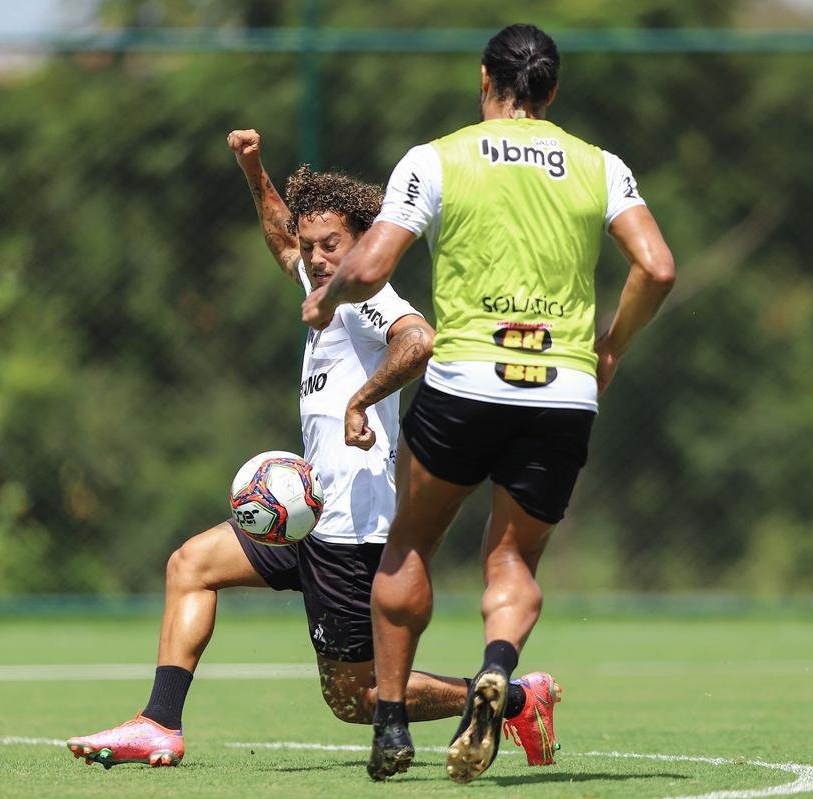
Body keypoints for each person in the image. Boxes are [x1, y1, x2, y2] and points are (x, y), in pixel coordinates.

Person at [65, 129, 560, 771]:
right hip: (306, 515)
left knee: (355, 699)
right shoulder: (321, 283)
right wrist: (254, 170)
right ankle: (160, 722)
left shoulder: (367, 295)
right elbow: (279, 236)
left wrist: (361, 400)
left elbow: (419, 341)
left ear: (363, 245)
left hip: (353, 528)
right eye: (311, 247)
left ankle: (516, 700)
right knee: (191, 564)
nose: (318, 258)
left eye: (333, 245)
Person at [303, 24, 675, 784]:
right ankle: (496, 667)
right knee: (512, 557)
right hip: (563, 388)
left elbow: (370, 265)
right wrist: (610, 347)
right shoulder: (601, 165)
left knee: (410, 544)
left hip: (465, 381)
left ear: (485, 80)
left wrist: (326, 297)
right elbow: (658, 267)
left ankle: (391, 724)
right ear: (554, 89)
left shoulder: (437, 157)